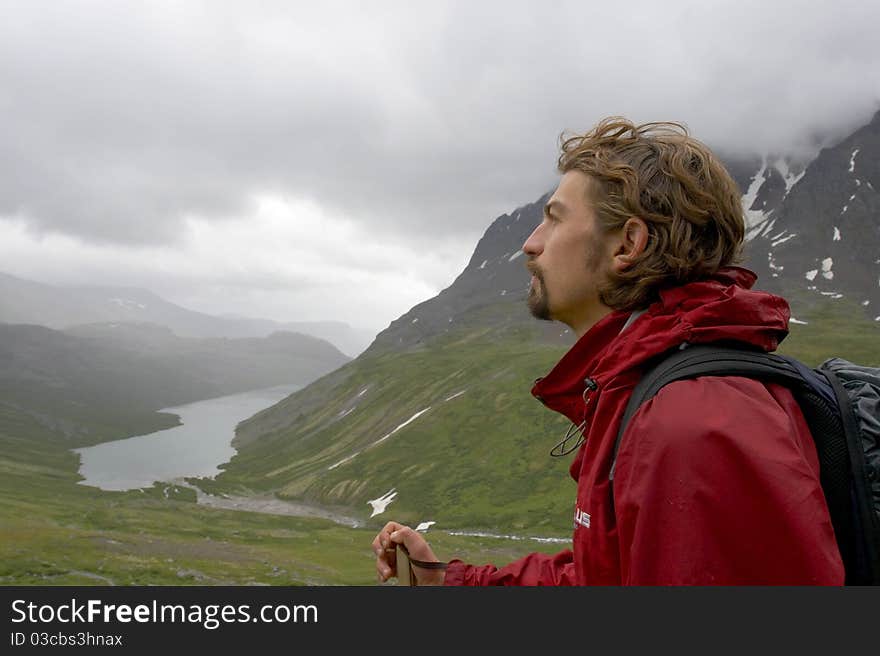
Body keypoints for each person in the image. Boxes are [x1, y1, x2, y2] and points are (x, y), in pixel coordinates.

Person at [371, 117, 845, 585]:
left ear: (628, 244)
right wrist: (447, 580)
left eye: (554, 219)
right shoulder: (645, 389)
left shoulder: (691, 426)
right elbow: (601, 577)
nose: (530, 244)